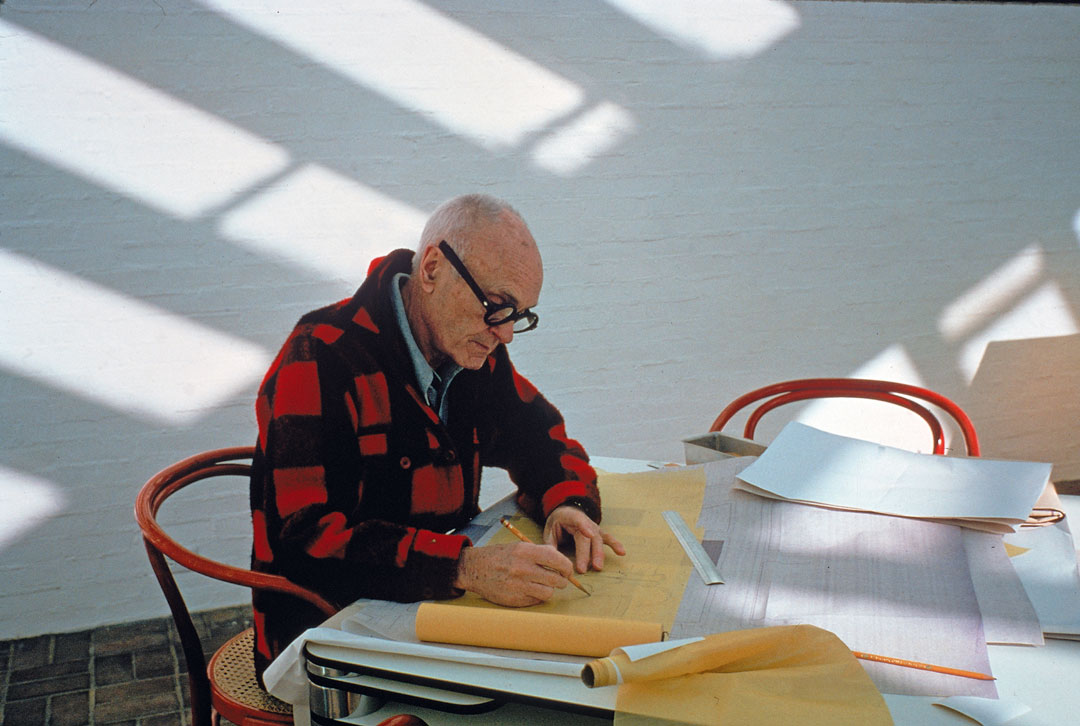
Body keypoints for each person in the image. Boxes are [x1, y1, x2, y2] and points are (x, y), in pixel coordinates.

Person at [249, 193, 625, 680]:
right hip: (322, 637)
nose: (506, 334)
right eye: (497, 306)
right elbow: (309, 542)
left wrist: (566, 504)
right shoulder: (319, 356)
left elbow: (541, 437)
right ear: (431, 269)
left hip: (430, 609)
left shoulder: (472, 351)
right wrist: (463, 568)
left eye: (521, 315)